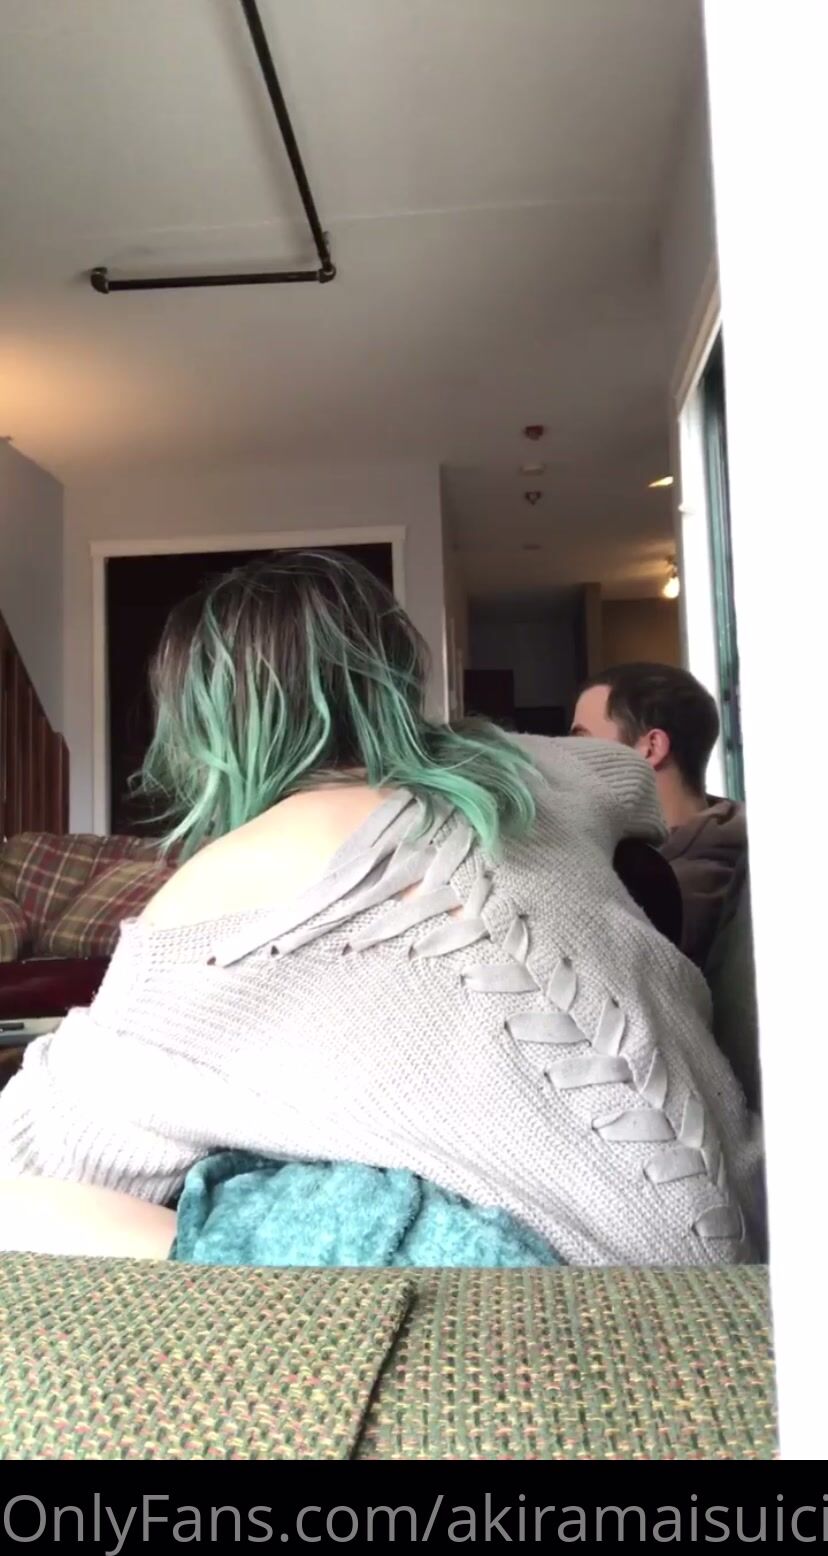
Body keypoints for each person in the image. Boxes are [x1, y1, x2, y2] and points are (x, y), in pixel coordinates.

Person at [0, 553, 761, 1266]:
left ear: (203, 725)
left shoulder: (209, 903)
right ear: (390, 671)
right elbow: (635, 783)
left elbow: (28, 1155)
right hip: (752, 1215)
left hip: (572, 1292)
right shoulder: (541, 766)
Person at [571, 663, 747, 968]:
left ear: (651, 748)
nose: (569, 756)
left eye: (582, 741)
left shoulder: (678, 897)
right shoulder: (728, 835)